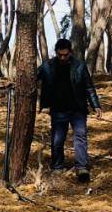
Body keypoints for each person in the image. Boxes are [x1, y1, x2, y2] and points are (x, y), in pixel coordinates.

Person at [38, 38, 103, 182]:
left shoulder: (80, 66)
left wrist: (96, 105)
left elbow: (89, 87)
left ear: (70, 53)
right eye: (60, 55)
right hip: (58, 110)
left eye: (65, 55)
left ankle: (82, 168)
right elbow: (31, 78)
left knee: (80, 137)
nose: (62, 58)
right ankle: (57, 166)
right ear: (56, 53)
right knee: (57, 140)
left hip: (77, 109)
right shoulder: (47, 66)